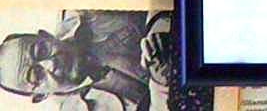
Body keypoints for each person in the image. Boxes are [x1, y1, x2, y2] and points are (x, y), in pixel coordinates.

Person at [0, 11, 171, 111]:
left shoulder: (88, 5)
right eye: (37, 75)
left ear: (46, 35)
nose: (50, 64)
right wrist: (160, 86)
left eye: (42, 50)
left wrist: (158, 29)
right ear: (40, 96)